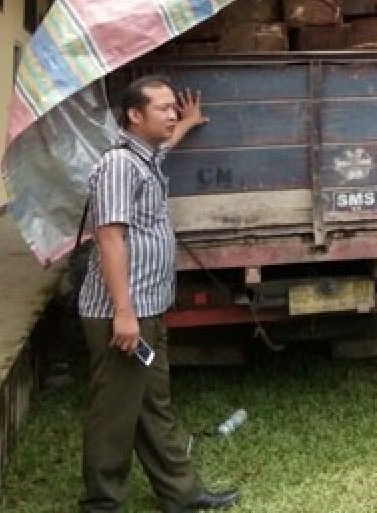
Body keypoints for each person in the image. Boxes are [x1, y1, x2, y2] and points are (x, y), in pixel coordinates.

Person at [78, 75, 238, 513]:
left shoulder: (145, 157)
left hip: (148, 309)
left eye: (174, 108)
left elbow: (165, 144)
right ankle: (101, 504)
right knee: (114, 415)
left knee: (153, 405)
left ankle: (181, 496)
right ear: (134, 115)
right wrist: (124, 314)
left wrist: (187, 124)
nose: (171, 114)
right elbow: (110, 239)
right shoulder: (118, 166)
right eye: (163, 108)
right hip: (123, 315)